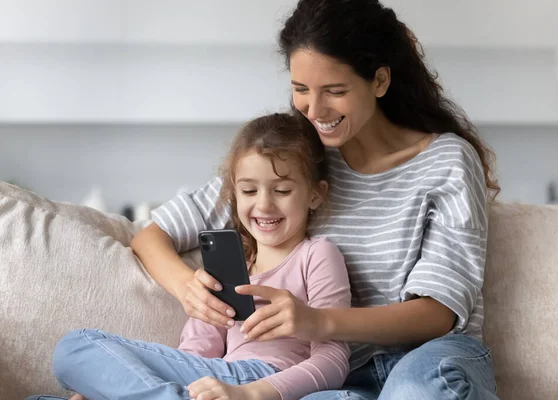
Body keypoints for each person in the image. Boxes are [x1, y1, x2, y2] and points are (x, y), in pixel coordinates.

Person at [127, 0, 502, 399]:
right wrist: (188, 287)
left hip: (428, 356)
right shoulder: (299, 159)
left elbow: (438, 313)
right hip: (332, 373)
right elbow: (151, 237)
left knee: (414, 391)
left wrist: (318, 322)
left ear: (379, 81)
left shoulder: (446, 160)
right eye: (301, 89)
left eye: (335, 91)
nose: (315, 110)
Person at [26, 113, 352, 400]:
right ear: (233, 195)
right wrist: (113, 385)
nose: (264, 204)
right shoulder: (228, 264)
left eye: (281, 190)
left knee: (76, 345)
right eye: (250, 191)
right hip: (212, 381)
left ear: (314, 194)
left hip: (262, 382)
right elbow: (195, 354)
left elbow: (333, 360)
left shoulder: (317, 255)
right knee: (63, 371)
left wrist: (252, 394)